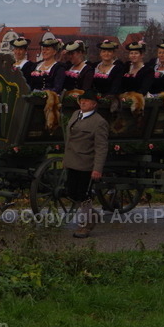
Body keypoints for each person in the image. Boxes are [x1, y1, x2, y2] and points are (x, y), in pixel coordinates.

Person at [63, 87, 109, 238]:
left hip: (86, 164)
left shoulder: (99, 122)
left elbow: (101, 147)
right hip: (72, 161)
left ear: (94, 104)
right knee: (72, 193)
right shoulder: (76, 114)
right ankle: (92, 215)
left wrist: (97, 168)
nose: (83, 102)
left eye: (86, 101)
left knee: (84, 195)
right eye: (81, 100)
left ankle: (86, 225)